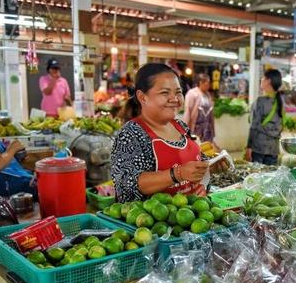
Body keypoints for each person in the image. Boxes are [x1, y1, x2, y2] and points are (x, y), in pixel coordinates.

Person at [111, 63, 227, 203]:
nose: (175, 99)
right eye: (165, 93)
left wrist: (209, 168)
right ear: (142, 97)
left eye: (178, 92)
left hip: (195, 217)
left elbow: (196, 164)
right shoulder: (131, 134)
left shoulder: (181, 126)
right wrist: (178, 174)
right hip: (153, 222)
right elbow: (126, 184)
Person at [245, 69, 285, 165]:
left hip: (259, 147)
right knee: (270, 177)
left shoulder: (260, 101)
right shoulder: (281, 101)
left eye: (263, 78)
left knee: (257, 177)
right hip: (274, 148)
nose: (261, 80)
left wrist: (249, 147)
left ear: (268, 81)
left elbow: (254, 126)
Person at [183, 73, 217, 145]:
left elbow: (211, 113)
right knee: (196, 147)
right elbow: (188, 111)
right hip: (196, 128)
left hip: (207, 128)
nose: (209, 85)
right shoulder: (192, 93)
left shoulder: (208, 94)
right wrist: (185, 129)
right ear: (201, 83)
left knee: (207, 150)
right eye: (207, 83)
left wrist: (213, 131)